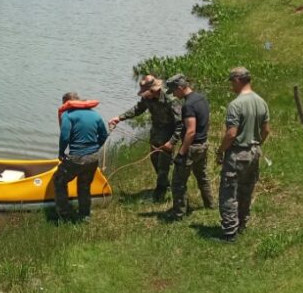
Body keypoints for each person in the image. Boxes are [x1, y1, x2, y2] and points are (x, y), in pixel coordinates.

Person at [215, 67, 270, 242]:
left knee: (228, 193)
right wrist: (257, 143)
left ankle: (230, 233)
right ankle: (242, 225)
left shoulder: (235, 105)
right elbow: (266, 130)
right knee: (246, 191)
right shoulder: (261, 102)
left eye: (232, 82)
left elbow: (231, 134)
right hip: (254, 153)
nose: (231, 85)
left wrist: (220, 150)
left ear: (238, 81)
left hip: (237, 154)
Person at [108, 75, 183, 202]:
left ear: (154, 90)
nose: (144, 95)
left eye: (146, 92)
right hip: (155, 132)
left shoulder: (170, 99)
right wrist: (119, 118)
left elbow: (180, 123)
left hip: (168, 133)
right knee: (154, 159)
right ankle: (165, 185)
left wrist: (172, 142)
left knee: (164, 163)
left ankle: (160, 195)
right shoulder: (147, 98)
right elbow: (138, 109)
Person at [165, 74, 214, 220]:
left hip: (192, 148)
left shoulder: (188, 105)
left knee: (178, 182)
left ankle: (179, 215)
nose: (173, 94)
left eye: (174, 91)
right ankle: (210, 205)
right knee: (202, 176)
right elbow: (206, 121)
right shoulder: (201, 98)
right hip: (203, 145)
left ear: (180, 88)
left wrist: (181, 152)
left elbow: (191, 131)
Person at [54, 92, 108, 222]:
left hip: (77, 157)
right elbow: (104, 135)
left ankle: (64, 215)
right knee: (84, 185)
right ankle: (85, 215)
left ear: (66, 103)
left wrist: (61, 152)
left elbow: (65, 136)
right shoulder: (95, 114)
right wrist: (95, 148)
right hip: (93, 157)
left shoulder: (68, 115)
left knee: (59, 181)